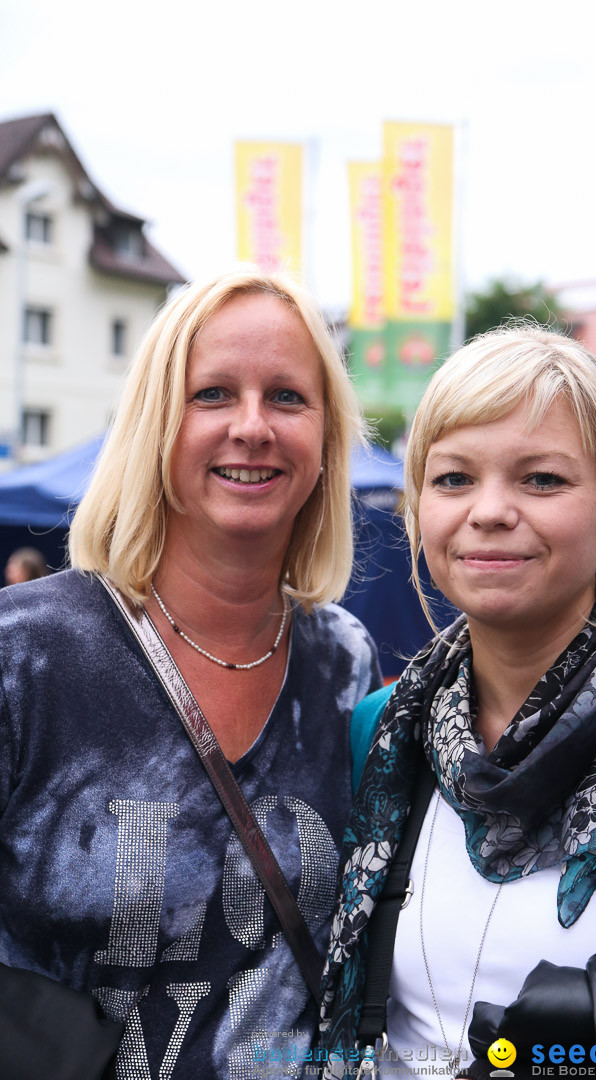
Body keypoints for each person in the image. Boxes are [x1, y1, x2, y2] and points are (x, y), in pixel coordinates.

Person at [0, 267, 382, 1079]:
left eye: (287, 397)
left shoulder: (344, 661)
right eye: (211, 394)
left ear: (327, 441)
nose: (252, 426)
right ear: (154, 426)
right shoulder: (22, 655)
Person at [318, 327, 596, 1079]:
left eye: (540, 479)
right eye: (453, 479)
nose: (490, 510)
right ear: (416, 513)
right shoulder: (381, 730)